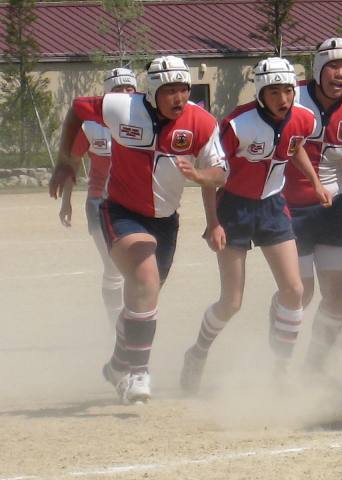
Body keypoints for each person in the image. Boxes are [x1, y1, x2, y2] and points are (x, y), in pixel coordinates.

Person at [49, 55, 227, 404]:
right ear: (153, 91)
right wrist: (65, 162)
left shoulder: (202, 122)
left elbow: (219, 172)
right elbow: (77, 110)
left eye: (184, 89)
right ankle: (137, 372)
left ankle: (117, 365)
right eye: (170, 90)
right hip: (120, 211)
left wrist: (200, 176)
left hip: (166, 220)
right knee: (144, 280)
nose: (179, 97)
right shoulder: (122, 107)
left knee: (142, 298)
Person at [179, 57, 330, 394]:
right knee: (231, 302)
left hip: (274, 206)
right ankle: (198, 352)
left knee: (294, 291)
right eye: (274, 91)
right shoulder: (237, 125)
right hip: (234, 208)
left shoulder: (304, 119)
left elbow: (295, 146)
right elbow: (210, 171)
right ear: (261, 93)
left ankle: (280, 371)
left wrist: (315, 181)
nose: (283, 98)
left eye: (288, 90)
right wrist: (213, 221)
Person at [283, 38, 342, 371]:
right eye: (334, 66)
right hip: (291, 207)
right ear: (319, 68)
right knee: (299, 294)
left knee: (337, 298)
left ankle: (314, 365)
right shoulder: (293, 98)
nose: (341, 75)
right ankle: (278, 362)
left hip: (337, 208)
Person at [58, 68, 138, 326]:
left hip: (134, 203)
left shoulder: (144, 124)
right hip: (99, 202)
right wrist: (66, 201)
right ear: (107, 94)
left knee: (140, 267)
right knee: (114, 267)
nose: (125, 93)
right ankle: (116, 324)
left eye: (129, 88)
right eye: (118, 89)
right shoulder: (92, 126)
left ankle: (136, 318)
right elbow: (72, 161)